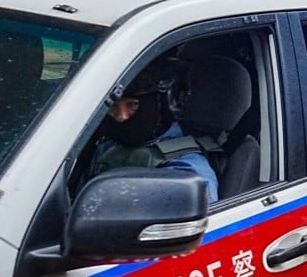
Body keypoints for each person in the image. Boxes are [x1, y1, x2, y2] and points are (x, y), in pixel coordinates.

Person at [90, 58, 218, 203]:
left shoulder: (187, 172)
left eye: (133, 104)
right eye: (113, 106)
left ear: (165, 106)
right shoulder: (105, 145)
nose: (121, 117)